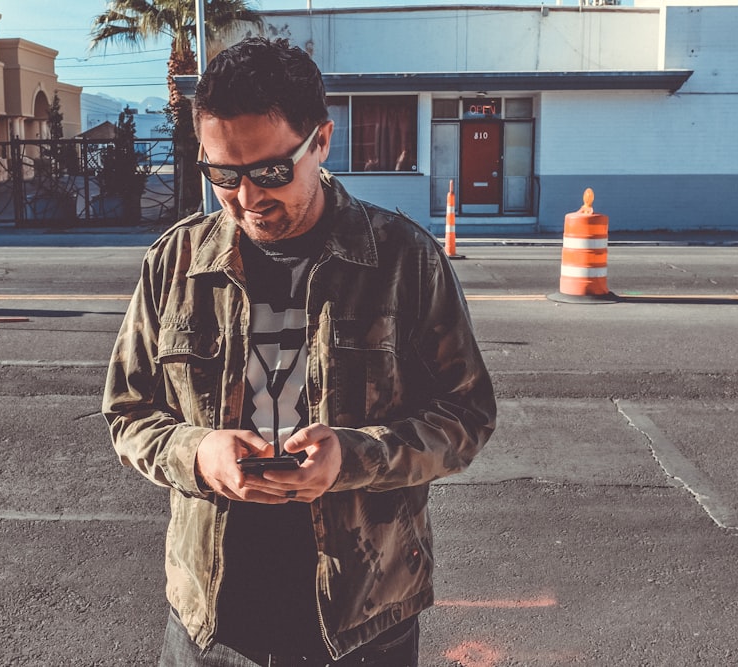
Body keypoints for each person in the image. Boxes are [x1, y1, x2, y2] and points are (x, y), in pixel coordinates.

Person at [101, 37, 497, 667]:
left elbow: (467, 415)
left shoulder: (404, 260)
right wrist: (198, 453)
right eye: (223, 175)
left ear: (321, 141)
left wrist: (354, 457)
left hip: (365, 618)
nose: (248, 197)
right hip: (212, 622)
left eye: (271, 171)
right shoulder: (174, 263)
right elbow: (126, 413)